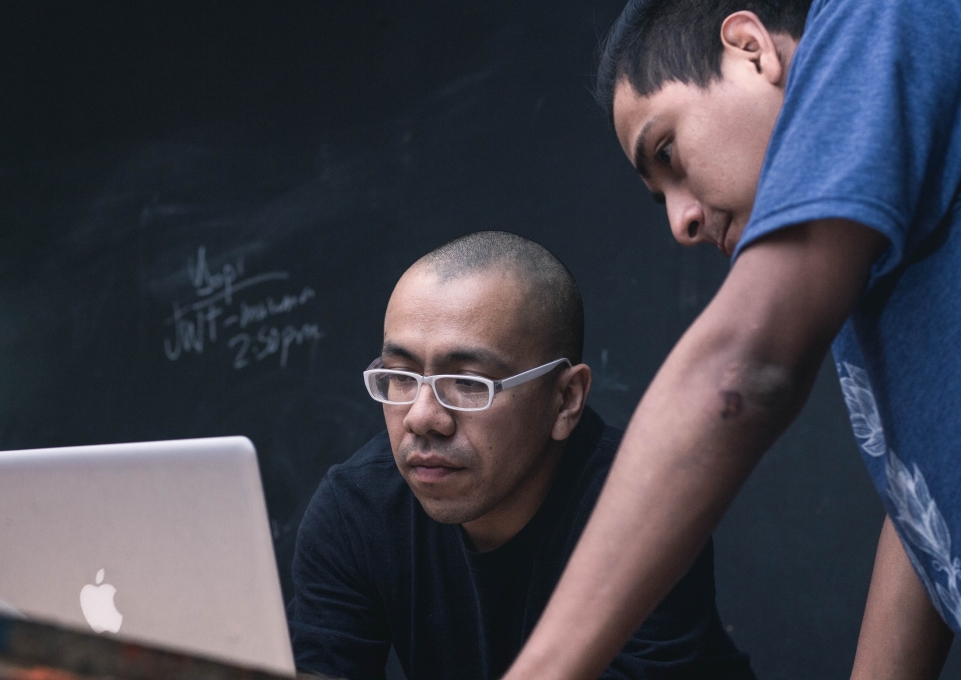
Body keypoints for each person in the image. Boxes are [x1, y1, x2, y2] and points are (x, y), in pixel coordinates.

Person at [502, 1, 961, 679]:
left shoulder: (878, 14)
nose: (681, 222)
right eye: (659, 198)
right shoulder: (861, 269)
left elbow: (740, 372)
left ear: (749, 47)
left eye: (667, 153)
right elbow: (921, 502)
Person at [287, 231, 755, 680]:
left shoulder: (643, 508)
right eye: (401, 377)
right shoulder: (357, 510)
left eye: (470, 383)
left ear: (566, 399)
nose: (422, 417)